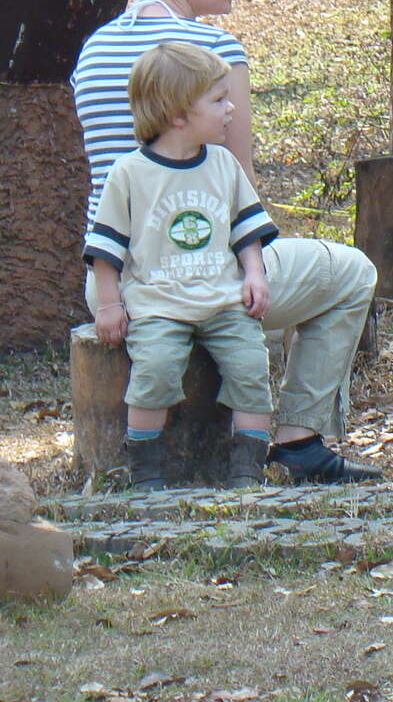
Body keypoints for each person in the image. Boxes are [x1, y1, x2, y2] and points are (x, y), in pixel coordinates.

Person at [73, 0, 381, 484]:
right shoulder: (211, 53)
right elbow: (237, 180)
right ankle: (299, 436)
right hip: (202, 273)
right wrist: (253, 267)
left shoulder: (93, 48)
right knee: (351, 272)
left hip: (111, 283)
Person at [85, 42, 278, 490]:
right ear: (177, 115)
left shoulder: (223, 164)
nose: (231, 108)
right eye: (217, 100)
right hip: (158, 302)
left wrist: (254, 273)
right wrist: (110, 306)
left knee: (251, 368)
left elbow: (245, 229)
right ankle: (146, 473)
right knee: (154, 371)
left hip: (222, 298)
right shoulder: (131, 174)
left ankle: (248, 469)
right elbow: (106, 249)